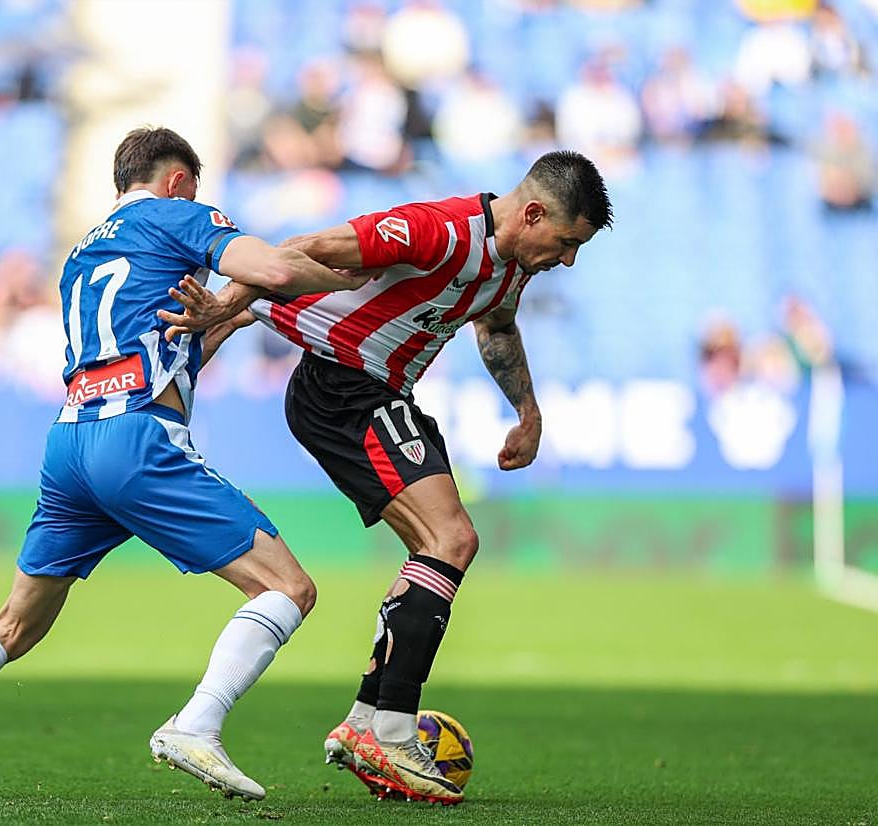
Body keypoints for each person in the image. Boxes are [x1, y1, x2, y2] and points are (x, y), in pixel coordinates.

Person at [0, 127, 370, 801]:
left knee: (14, 623)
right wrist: (347, 280)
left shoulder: (79, 254)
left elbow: (149, 353)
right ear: (179, 180)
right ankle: (198, 725)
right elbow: (269, 270)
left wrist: (219, 325)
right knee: (288, 589)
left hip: (71, 440)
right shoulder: (181, 214)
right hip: (136, 439)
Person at [161, 150, 613, 805]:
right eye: (567, 243)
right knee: (449, 539)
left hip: (374, 392)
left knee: (447, 542)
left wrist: (528, 411)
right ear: (534, 212)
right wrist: (226, 307)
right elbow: (304, 247)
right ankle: (385, 727)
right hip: (343, 386)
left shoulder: (511, 266)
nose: (567, 260)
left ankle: (371, 726)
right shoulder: (441, 229)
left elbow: (498, 326)